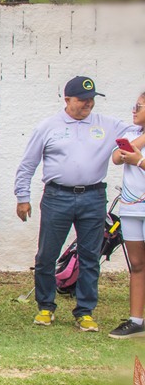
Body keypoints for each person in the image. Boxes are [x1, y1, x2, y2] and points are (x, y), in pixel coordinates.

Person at [15, 75, 130, 332]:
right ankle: (46, 306)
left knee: (90, 256)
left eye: (92, 99)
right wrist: (22, 197)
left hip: (93, 196)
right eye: (82, 99)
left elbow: (137, 131)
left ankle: (85, 310)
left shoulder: (107, 124)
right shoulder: (48, 127)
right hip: (58, 196)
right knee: (47, 254)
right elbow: (28, 164)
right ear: (67, 99)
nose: (88, 104)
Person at [110, 91, 145, 339]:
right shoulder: (132, 134)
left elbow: (133, 157)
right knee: (137, 264)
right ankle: (136, 321)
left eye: (139, 106)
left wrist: (139, 161)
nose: (133, 110)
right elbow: (116, 157)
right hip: (131, 209)